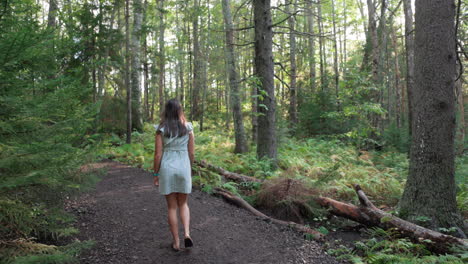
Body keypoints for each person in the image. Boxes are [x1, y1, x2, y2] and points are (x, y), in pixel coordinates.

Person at [152, 99, 195, 251]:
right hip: (183, 166)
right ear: (179, 111)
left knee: (172, 207)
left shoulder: (161, 129)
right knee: (183, 204)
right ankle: (187, 234)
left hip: (167, 168)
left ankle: (176, 242)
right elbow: (191, 152)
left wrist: (156, 173)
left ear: (166, 111)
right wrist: (190, 168)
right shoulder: (188, 127)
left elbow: (158, 155)